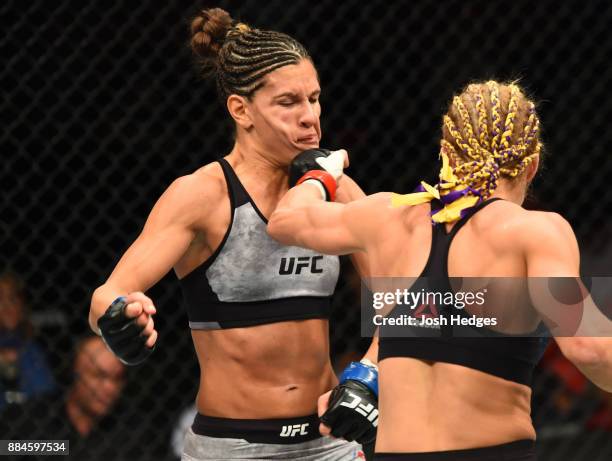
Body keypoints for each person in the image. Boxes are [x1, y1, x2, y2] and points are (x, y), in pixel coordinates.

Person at [267, 80, 612, 460]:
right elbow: (589, 347)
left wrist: (322, 174)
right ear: (531, 166)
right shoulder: (535, 230)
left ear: (447, 152)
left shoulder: (387, 218)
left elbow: (286, 220)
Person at [89, 7, 373, 460]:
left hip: (330, 445)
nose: (310, 117)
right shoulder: (203, 195)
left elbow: (405, 294)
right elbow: (109, 294)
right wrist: (120, 318)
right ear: (241, 109)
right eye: (288, 102)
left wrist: (369, 374)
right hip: (233, 446)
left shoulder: (335, 189)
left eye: (314, 98)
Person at [0, 336, 132, 460]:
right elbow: (6, 449)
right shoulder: (29, 419)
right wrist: (56, 448)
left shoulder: (129, 429)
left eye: (117, 378)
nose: (110, 388)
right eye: (98, 375)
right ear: (75, 374)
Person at [0, 272, 55, 409]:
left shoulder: (32, 350)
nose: (7, 307)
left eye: (13, 298)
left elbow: (45, 395)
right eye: (0, 299)